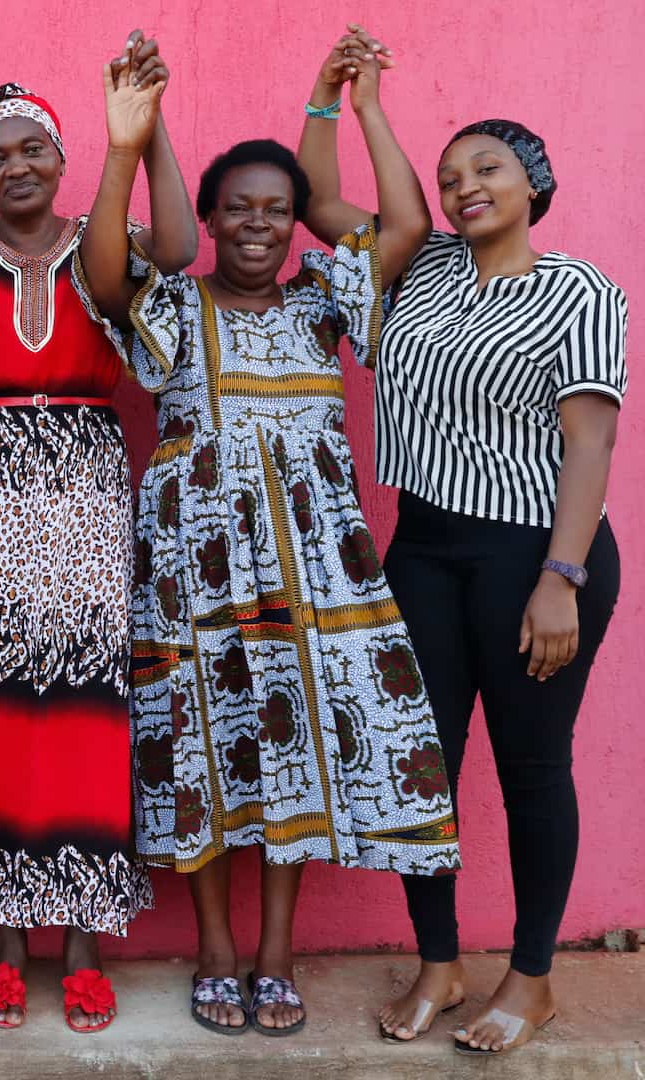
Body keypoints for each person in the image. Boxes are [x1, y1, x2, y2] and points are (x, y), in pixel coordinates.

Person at [91, 26, 466, 1037]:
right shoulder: (176, 306)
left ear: (298, 224)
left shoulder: (323, 304)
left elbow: (401, 226)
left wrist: (350, 105)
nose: (258, 224)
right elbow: (106, 278)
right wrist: (131, 138)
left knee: (292, 751)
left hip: (313, 572)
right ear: (208, 218)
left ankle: (274, 954)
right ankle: (215, 950)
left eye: (278, 209)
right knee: (211, 751)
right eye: (238, 208)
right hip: (193, 570)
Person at [296, 39, 629, 1060]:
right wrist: (344, 100)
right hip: (426, 549)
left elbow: (590, 439)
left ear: (533, 183)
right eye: (449, 177)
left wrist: (561, 580)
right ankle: (438, 961)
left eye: (485, 168)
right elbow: (321, 205)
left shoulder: (578, 290)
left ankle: (530, 979)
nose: (462, 186)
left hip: (537, 553)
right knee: (417, 768)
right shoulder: (423, 261)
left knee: (532, 764)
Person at [0, 30, 198, 1032]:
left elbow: (177, 250)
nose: (16, 167)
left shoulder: (100, 235)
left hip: (83, 487)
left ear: (63, 160)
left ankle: (83, 938)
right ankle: (5, 936)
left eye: (32, 150)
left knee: (81, 707)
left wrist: (140, 137)